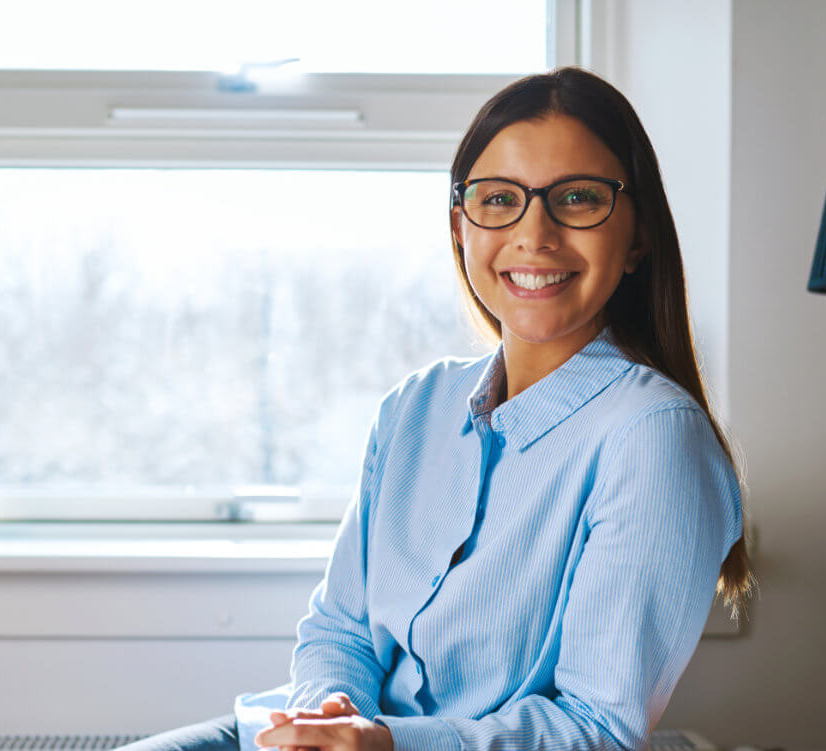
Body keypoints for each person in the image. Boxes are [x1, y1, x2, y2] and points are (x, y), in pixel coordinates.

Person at [120, 65, 752, 751]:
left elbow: (596, 728)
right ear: (461, 227)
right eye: (499, 199)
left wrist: (385, 741)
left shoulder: (654, 439)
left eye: (576, 197)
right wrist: (333, 713)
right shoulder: (413, 407)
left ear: (637, 237)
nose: (534, 234)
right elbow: (341, 628)